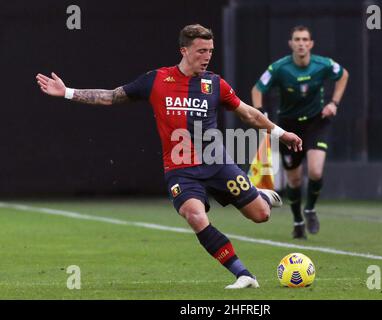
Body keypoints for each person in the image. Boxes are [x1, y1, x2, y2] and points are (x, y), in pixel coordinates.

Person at [36, 24, 302, 289]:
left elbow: (247, 113)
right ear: (184, 50)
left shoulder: (215, 84)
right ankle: (243, 274)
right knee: (194, 216)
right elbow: (111, 97)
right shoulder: (156, 80)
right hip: (180, 170)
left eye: (210, 50)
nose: (207, 56)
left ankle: (260, 196)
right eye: (201, 51)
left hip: (217, 164)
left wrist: (281, 133)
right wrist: (67, 92)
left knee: (261, 215)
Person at [251, 25, 349, 240]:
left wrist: (334, 103)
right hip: (288, 127)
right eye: (297, 39)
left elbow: (343, 75)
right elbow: (257, 89)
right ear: (291, 43)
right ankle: (297, 221)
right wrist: (260, 114)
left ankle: (310, 209)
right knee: (294, 181)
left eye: (305, 39)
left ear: (311, 44)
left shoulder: (322, 64)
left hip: (316, 123)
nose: (301, 43)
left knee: (315, 171)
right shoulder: (279, 68)